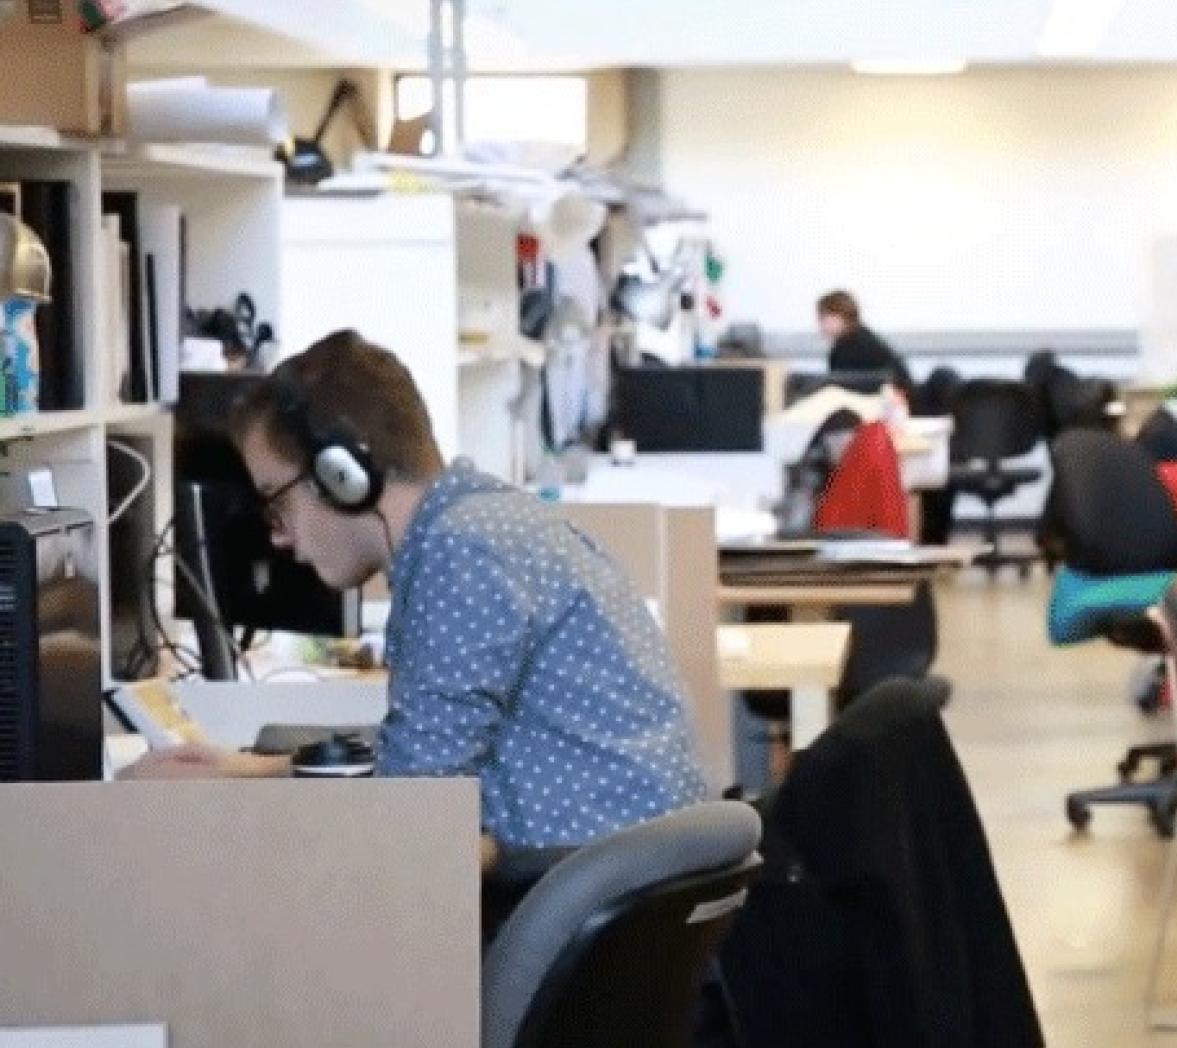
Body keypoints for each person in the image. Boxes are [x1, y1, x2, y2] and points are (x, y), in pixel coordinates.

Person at [121, 330, 709, 856]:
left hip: (563, 900)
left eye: (277, 500)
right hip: (600, 888)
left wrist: (237, 808)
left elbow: (411, 812)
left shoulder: (463, 553)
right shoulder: (479, 524)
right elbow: (425, 750)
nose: (276, 536)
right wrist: (253, 772)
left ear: (343, 478)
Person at [817, 289, 913, 395]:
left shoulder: (854, 346)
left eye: (824, 317)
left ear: (843, 316)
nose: (821, 324)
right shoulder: (860, 339)